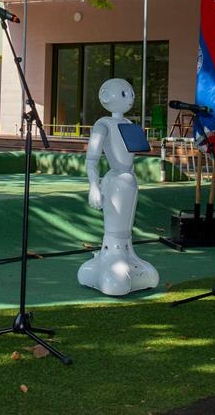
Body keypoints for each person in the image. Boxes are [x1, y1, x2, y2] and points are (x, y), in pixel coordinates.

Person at [78, 78, 160, 296]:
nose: (130, 98)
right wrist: (94, 186)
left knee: (125, 228)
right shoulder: (102, 124)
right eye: (125, 93)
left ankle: (126, 255)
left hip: (129, 182)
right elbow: (91, 160)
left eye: (131, 93)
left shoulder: (128, 125)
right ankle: (111, 258)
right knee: (114, 228)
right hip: (114, 183)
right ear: (106, 96)